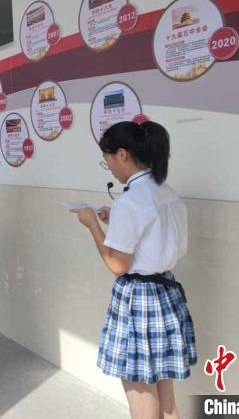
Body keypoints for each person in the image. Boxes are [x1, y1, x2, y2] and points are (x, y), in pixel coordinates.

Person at [71, 120, 196, 419]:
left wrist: (92, 225)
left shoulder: (130, 202)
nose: (110, 168)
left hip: (140, 301)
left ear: (122, 154)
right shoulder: (166, 192)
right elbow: (153, 237)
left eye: (108, 160)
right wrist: (115, 220)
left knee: (142, 399)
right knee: (166, 401)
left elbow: (117, 265)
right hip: (167, 294)